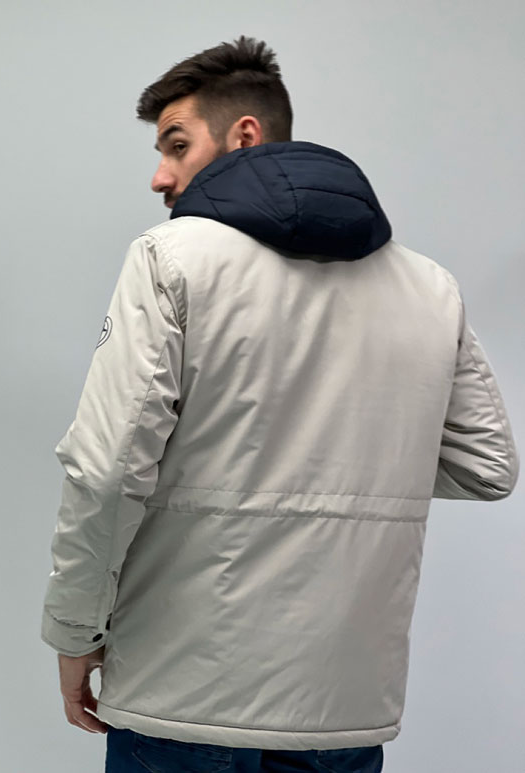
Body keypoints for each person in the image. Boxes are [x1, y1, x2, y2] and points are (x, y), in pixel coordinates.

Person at [40, 34, 519, 773]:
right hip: (343, 718)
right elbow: (486, 464)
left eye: (176, 144)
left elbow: (106, 472)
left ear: (244, 135)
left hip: (183, 705)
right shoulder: (429, 286)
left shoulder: (172, 258)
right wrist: (341, 463)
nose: (161, 176)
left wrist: (74, 633)